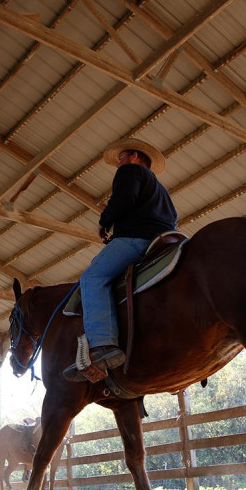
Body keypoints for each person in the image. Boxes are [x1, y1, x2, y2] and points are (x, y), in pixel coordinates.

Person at [63, 138, 177, 382]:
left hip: (137, 240)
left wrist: (105, 221)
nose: (119, 162)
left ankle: (103, 344)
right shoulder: (160, 190)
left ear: (135, 157)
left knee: (92, 277)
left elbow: (124, 199)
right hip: (165, 239)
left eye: (122, 156)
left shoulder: (130, 171)